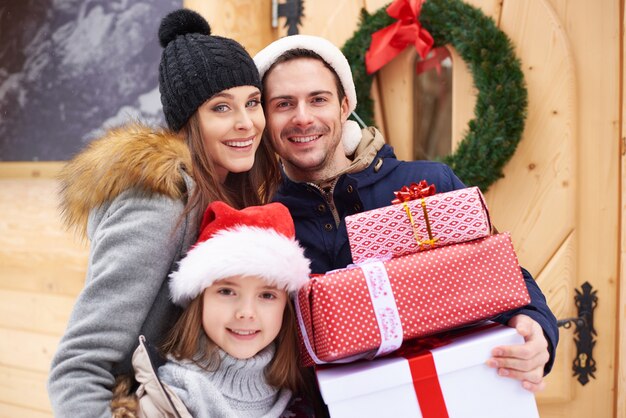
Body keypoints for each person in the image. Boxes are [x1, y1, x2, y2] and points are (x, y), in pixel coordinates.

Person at [253, 35, 558, 393]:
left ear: (344, 104)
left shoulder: (429, 182)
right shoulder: (264, 223)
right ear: (265, 117)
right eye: (284, 104)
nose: (303, 118)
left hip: (452, 396)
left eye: (318, 99)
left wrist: (535, 326)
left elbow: (500, 274)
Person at [48, 9, 280, 418]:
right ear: (189, 121)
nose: (247, 123)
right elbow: (78, 367)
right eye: (221, 109)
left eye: (253, 103)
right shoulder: (161, 202)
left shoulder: (231, 192)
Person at [112, 201, 312, 417]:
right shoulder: (168, 399)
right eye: (227, 291)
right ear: (199, 299)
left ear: (286, 307)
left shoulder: (300, 396)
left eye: (266, 295)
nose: (246, 312)